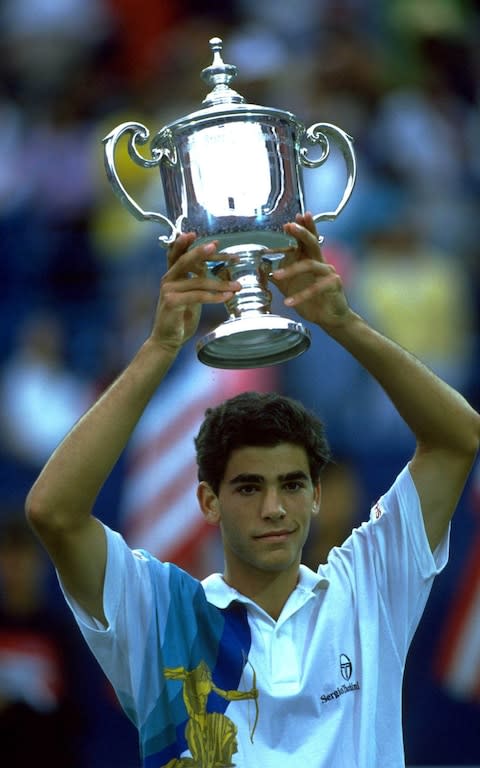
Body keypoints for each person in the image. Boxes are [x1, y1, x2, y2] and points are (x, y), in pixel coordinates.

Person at [25, 213, 480, 767]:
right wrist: (161, 345)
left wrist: (343, 322)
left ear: (315, 494)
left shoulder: (367, 590)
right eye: (247, 488)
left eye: (292, 485)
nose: (274, 508)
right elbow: (52, 511)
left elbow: (458, 439)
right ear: (208, 501)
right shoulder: (160, 610)